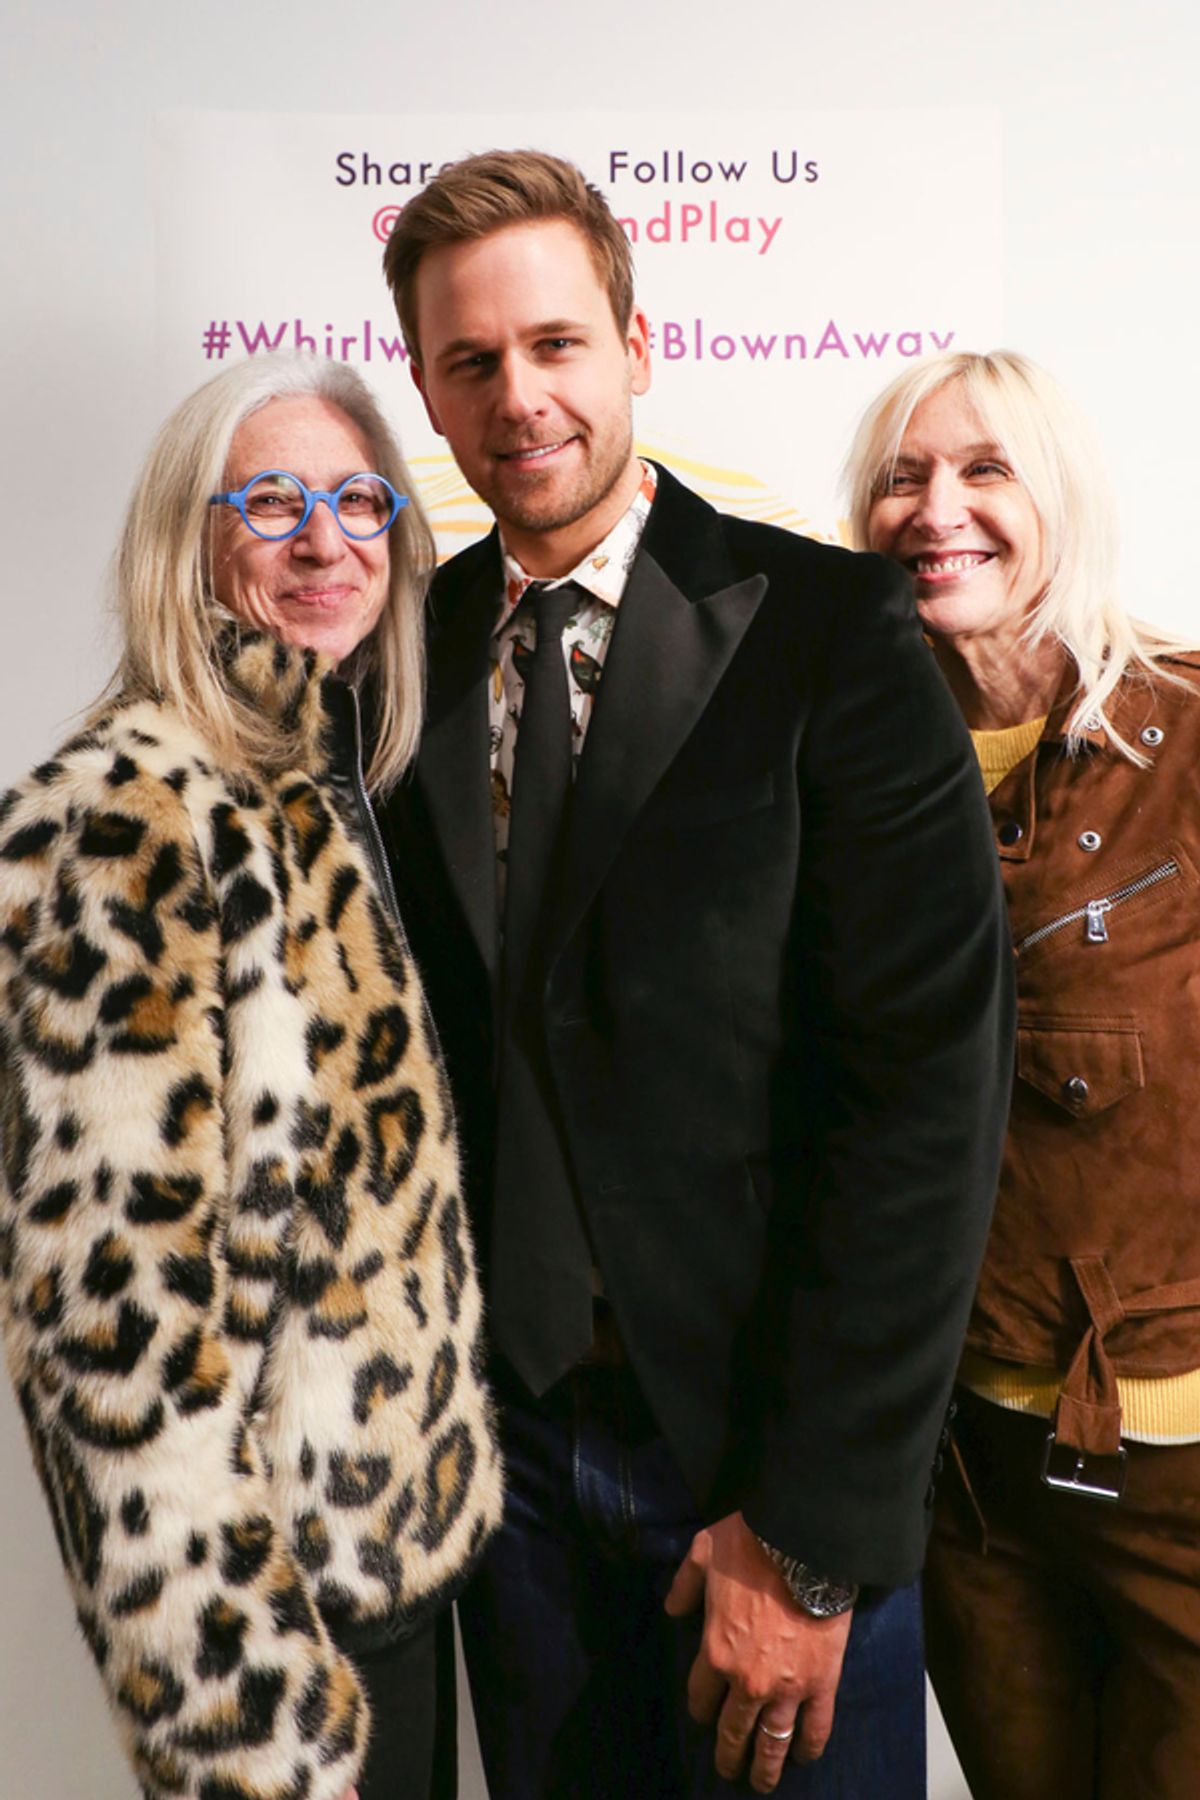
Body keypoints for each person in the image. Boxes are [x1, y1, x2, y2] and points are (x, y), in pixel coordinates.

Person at [377, 149, 1013, 1799]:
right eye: (471, 362)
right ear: (431, 394)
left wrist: (805, 1543)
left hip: (765, 1468)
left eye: (557, 344)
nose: (520, 397)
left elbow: (927, 1097)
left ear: (639, 348)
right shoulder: (395, 656)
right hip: (504, 1485)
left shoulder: (837, 634)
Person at [0, 354, 503, 1800]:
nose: (327, 539)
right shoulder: (124, 815)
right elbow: (111, 1322)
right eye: (272, 501)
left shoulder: (329, 778)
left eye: (359, 501)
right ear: (191, 536)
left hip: (390, 1546)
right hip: (284, 1617)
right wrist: (240, 1703)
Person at [846, 347, 1200, 1799]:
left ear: (1061, 498)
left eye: (985, 469)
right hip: (966, 1482)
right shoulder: (840, 752)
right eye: (902, 477)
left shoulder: (1186, 732)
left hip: (1180, 1464)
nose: (939, 508)